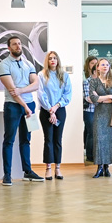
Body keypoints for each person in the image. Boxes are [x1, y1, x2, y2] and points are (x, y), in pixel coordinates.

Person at [0, 36, 44, 185]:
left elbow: (36, 84)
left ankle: (28, 171)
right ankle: (7, 175)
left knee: (26, 140)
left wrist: (22, 90)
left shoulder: (28, 64)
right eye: (14, 44)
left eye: (19, 44)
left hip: (29, 105)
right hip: (13, 106)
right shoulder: (4, 65)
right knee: (9, 140)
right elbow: (12, 91)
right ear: (9, 48)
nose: (18, 46)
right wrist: (25, 106)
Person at [38, 50, 73, 179]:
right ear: (47, 61)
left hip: (60, 109)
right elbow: (41, 94)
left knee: (58, 139)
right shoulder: (41, 75)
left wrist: (56, 106)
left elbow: (67, 94)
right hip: (46, 110)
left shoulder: (64, 75)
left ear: (58, 60)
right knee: (48, 139)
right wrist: (50, 110)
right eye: (50, 58)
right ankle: (48, 168)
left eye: (55, 58)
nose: (53, 60)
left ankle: (57, 168)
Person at [89, 58, 112, 177]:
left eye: (107, 65)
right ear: (98, 67)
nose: (105, 66)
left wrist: (101, 98)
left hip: (111, 113)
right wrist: (110, 96)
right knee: (99, 140)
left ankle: (106, 167)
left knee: (110, 140)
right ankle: (99, 167)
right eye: (102, 64)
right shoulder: (94, 81)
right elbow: (93, 98)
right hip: (99, 114)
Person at [82, 55, 100, 163]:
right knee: (91, 132)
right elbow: (88, 98)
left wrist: (100, 98)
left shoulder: (101, 81)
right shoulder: (86, 81)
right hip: (89, 110)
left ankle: (96, 154)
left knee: (97, 133)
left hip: (100, 110)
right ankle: (89, 155)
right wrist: (101, 99)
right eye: (93, 63)